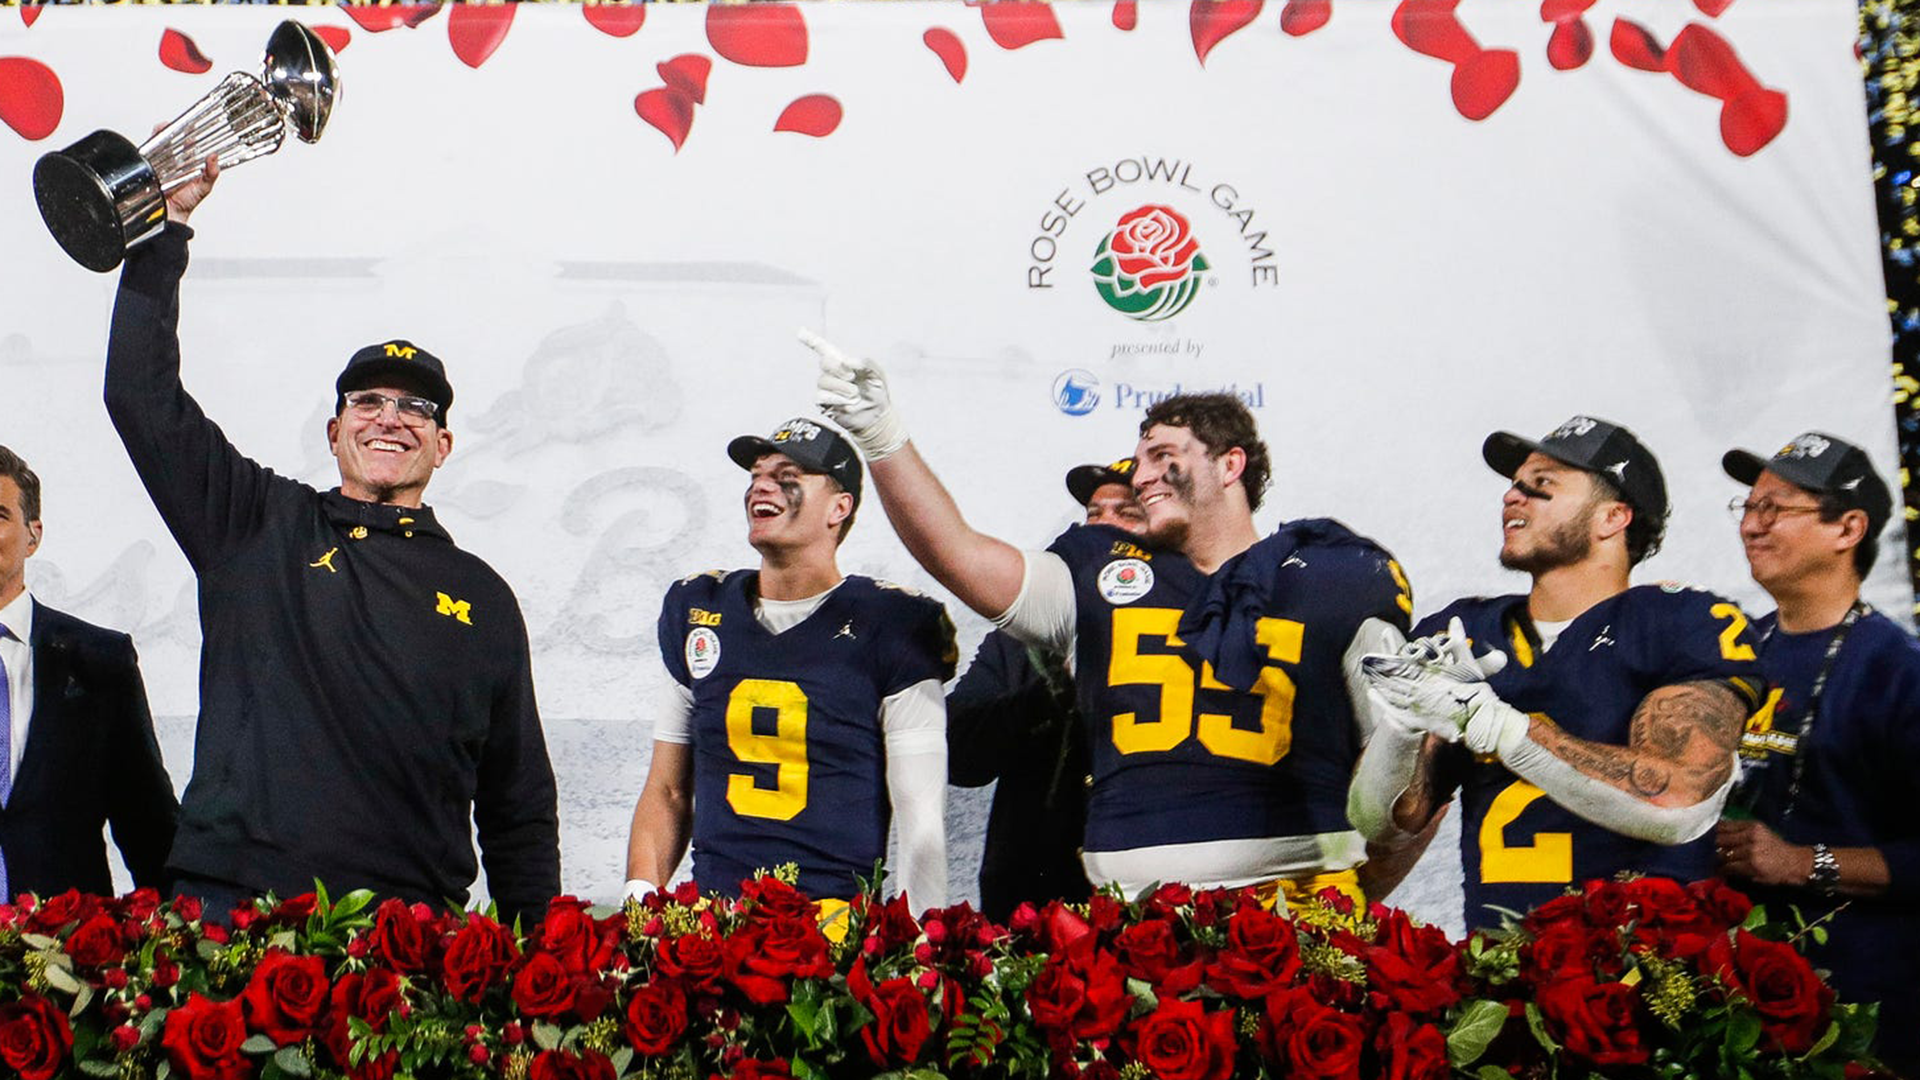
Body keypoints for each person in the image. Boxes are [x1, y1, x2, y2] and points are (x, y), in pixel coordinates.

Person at [102, 159, 558, 925]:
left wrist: (539, 966)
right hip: (229, 925)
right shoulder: (254, 522)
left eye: (416, 408)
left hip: (408, 947)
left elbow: (518, 808)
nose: (390, 417)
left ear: (442, 445)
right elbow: (140, 397)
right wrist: (164, 233)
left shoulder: (483, 596)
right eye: (367, 400)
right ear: (335, 429)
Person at [803, 332, 1412, 906]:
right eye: (1140, 458)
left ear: (1230, 466)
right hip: (1125, 920)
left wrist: (1369, 879)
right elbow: (957, 552)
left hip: (1288, 909)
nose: (1142, 475)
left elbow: (1405, 783)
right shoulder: (1099, 569)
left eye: (1162, 455)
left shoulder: (1331, 575)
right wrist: (883, 438)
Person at [1349, 416, 1764, 929]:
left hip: (1639, 976)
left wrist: (1498, 726)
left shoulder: (1679, 622)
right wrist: (1398, 727)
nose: (1512, 497)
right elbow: (1385, 824)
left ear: (1612, 517)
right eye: (1514, 484)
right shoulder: (1464, 630)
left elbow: (1677, 803)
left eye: (1540, 486)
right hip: (1499, 979)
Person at [625, 418, 956, 912]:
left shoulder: (891, 622)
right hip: (717, 923)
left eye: (788, 475)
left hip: (830, 930)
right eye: (756, 474)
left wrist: (919, 944)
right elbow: (669, 789)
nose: (761, 485)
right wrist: (640, 900)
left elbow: (919, 814)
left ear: (839, 507)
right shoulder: (700, 609)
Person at [1715, 432, 1918, 1076]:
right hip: (1731, 1006)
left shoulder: (1898, 671)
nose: (1752, 524)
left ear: (1848, 528)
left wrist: (1805, 862)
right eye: (1747, 508)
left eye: (1776, 508)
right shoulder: (1726, 653)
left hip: (1864, 1015)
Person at [948, 457, 1145, 921]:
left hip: (1145, 911)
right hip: (1028, 911)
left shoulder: (1191, 630)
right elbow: (958, 752)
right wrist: (1055, 690)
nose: (1102, 527)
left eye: (1127, 513)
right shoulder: (1024, 635)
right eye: (1095, 514)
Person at [0, 446, 177, 898]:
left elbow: (149, 829)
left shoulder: (101, 662)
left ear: (33, 535)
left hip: (62, 954)